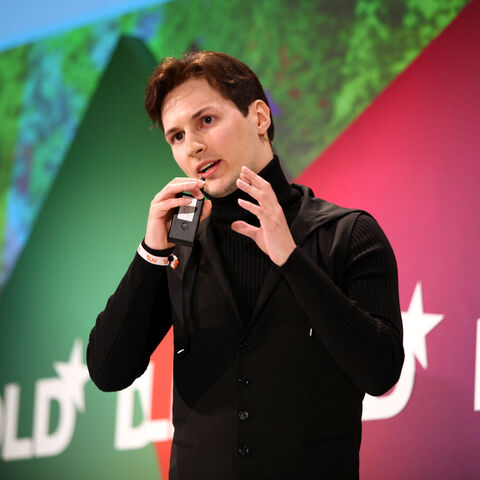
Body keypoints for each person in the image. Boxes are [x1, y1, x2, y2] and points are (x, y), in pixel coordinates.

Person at [87, 51, 404, 479]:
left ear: (259, 117)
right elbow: (109, 371)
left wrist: (291, 260)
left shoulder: (347, 234)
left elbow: (380, 372)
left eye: (206, 120)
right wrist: (150, 252)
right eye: (176, 137)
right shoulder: (180, 249)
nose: (193, 146)